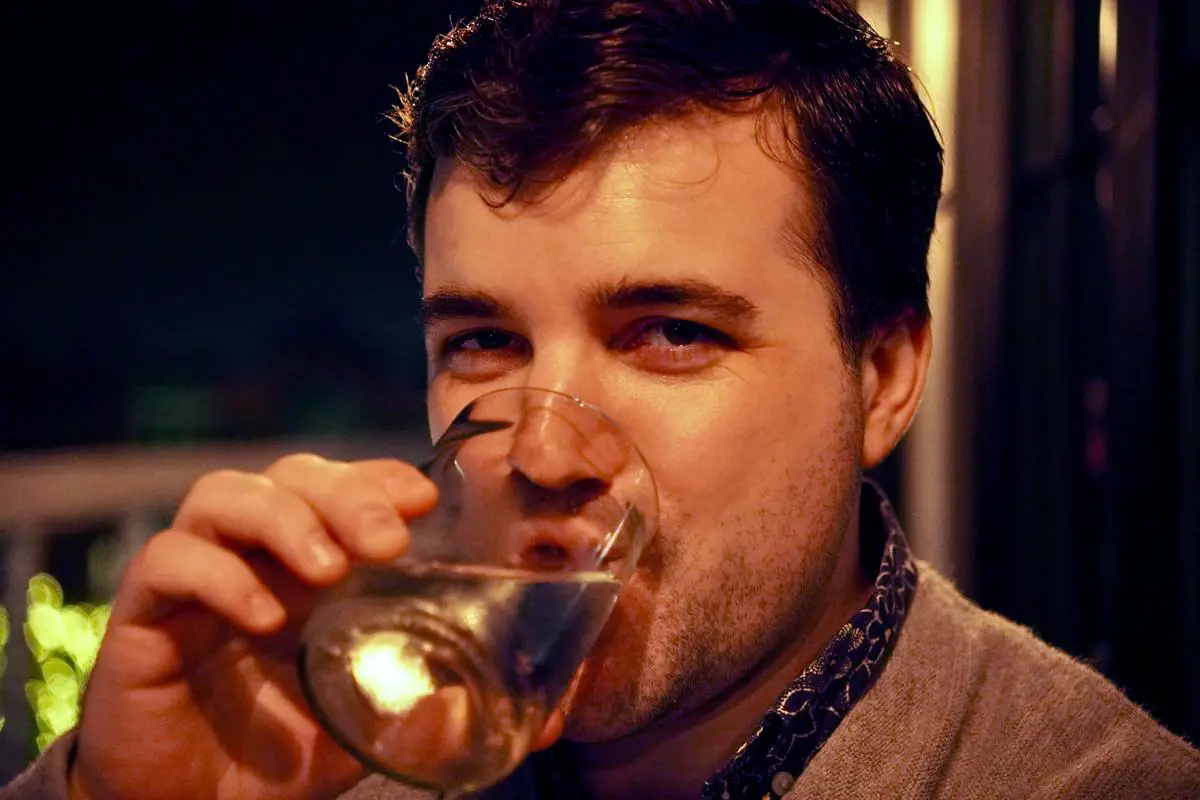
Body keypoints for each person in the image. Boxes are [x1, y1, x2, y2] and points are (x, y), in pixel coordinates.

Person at [6, 1, 1200, 798]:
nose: (540, 443)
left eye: (670, 334)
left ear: (881, 376)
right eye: (482, 339)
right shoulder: (329, 738)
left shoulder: (1084, 779)